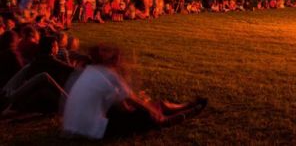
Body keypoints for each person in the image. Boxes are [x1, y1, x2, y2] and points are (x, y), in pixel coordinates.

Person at [63, 44, 206, 139]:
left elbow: (120, 103)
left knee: (152, 106)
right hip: (91, 131)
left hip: (73, 127)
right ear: (113, 62)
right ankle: (184, 112)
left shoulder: (90, 72)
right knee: (147, 113)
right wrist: (154, 113)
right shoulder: (109, 75)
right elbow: (132, 100)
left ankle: (186, 106)